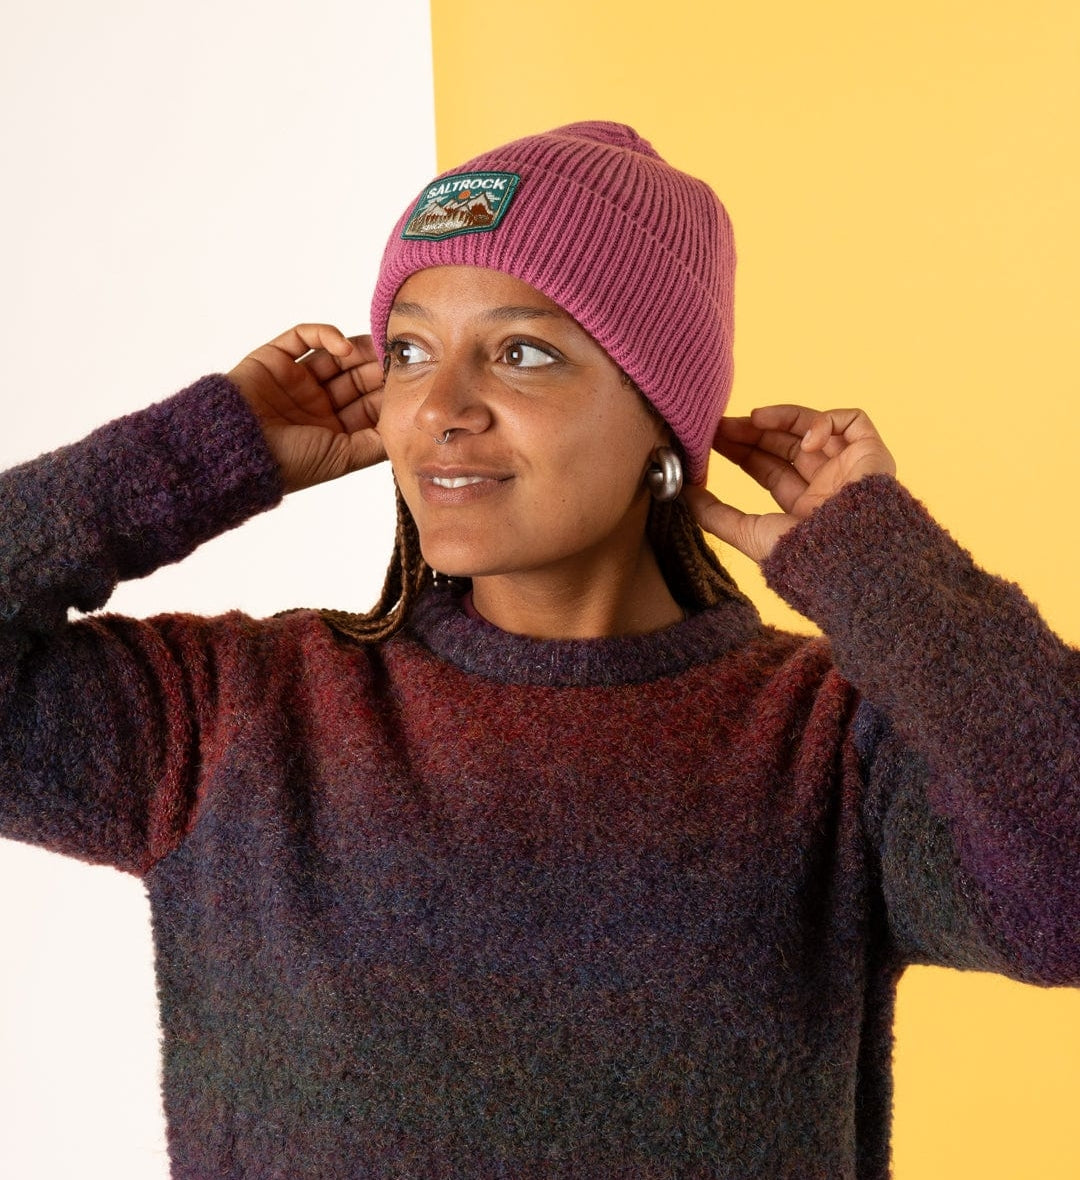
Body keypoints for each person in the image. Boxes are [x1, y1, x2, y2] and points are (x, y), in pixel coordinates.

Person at [0, 121, 1076, 1178]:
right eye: (410, 352)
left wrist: (884, 570)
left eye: (520, 352)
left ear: (665, 418)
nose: (440, 412)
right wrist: (205, 451)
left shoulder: (829, 753)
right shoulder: (234, 716)